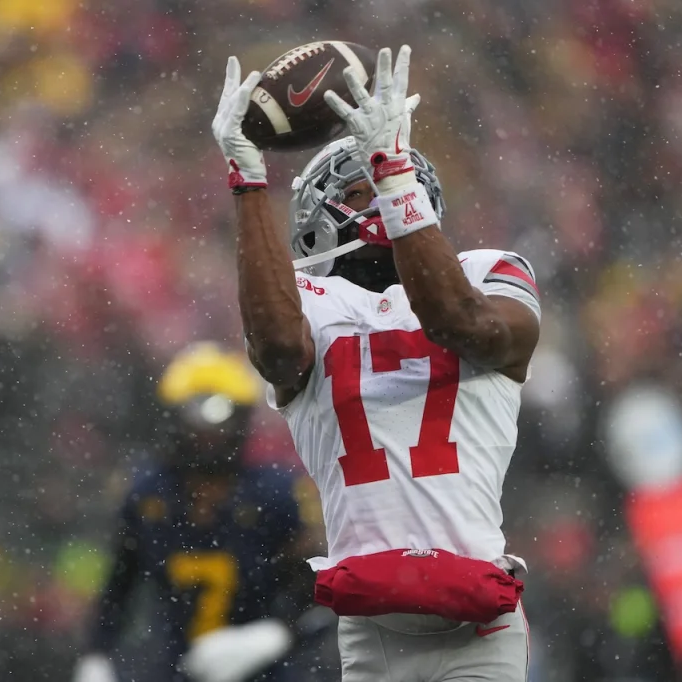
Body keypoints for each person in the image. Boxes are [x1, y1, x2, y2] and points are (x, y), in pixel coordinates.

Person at [212, 45, 542, 681]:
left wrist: (390, 177)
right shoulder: (311, 297)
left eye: (369, 175)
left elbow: (459, 323)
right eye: (359, 181)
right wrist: (247, 180)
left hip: (479, 623)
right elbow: (278, 351)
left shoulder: (489, 271)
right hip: (371, 627)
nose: (368, 185)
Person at [72, 343, 311, 682]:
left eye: (220, 417)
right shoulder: (148, 495)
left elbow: (319, 591)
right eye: (193, 416)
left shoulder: (275, 495)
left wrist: (274, 635)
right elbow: (118, 587)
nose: (207, 434)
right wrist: (96, 656)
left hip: (270, 673)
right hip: (177, 668)